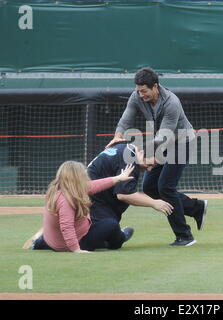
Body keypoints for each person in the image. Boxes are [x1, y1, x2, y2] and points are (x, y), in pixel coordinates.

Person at [105, 67, 208, 246]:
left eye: (144, 91)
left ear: (155, 87)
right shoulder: (136, 96)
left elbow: (164, 136)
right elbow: (125, 120)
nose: (141, 95)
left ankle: (185, 236)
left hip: (181, 142)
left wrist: (142, 151)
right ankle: (196, 207)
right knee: (150, 188)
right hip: (161, 142)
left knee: (166, 187)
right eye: (138, 91)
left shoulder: (172, 103)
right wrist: (118, 136)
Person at [23, 161, 135, 253]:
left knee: (99, 227)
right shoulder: (65, 200)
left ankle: (39, 243)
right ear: (77, 177)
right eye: (83, 174)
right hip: (73, 242)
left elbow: (95, 185)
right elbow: (66, 227)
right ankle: (120, 238)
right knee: (111, 224)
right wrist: (76, 249)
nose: (86, 175)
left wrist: (118, 178)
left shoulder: (62, 189)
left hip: (53, 241)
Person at [87, 143, 174, 230]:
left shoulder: (128, 149)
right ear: (142, 153)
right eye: (150, 164)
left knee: (110, 231)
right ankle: (120, 236)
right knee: (105, 235)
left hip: (92, 194)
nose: (149, 169)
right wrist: (154, 203)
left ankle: (118, 235)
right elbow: (124, 195)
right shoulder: (129, 160)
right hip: (93, 198)